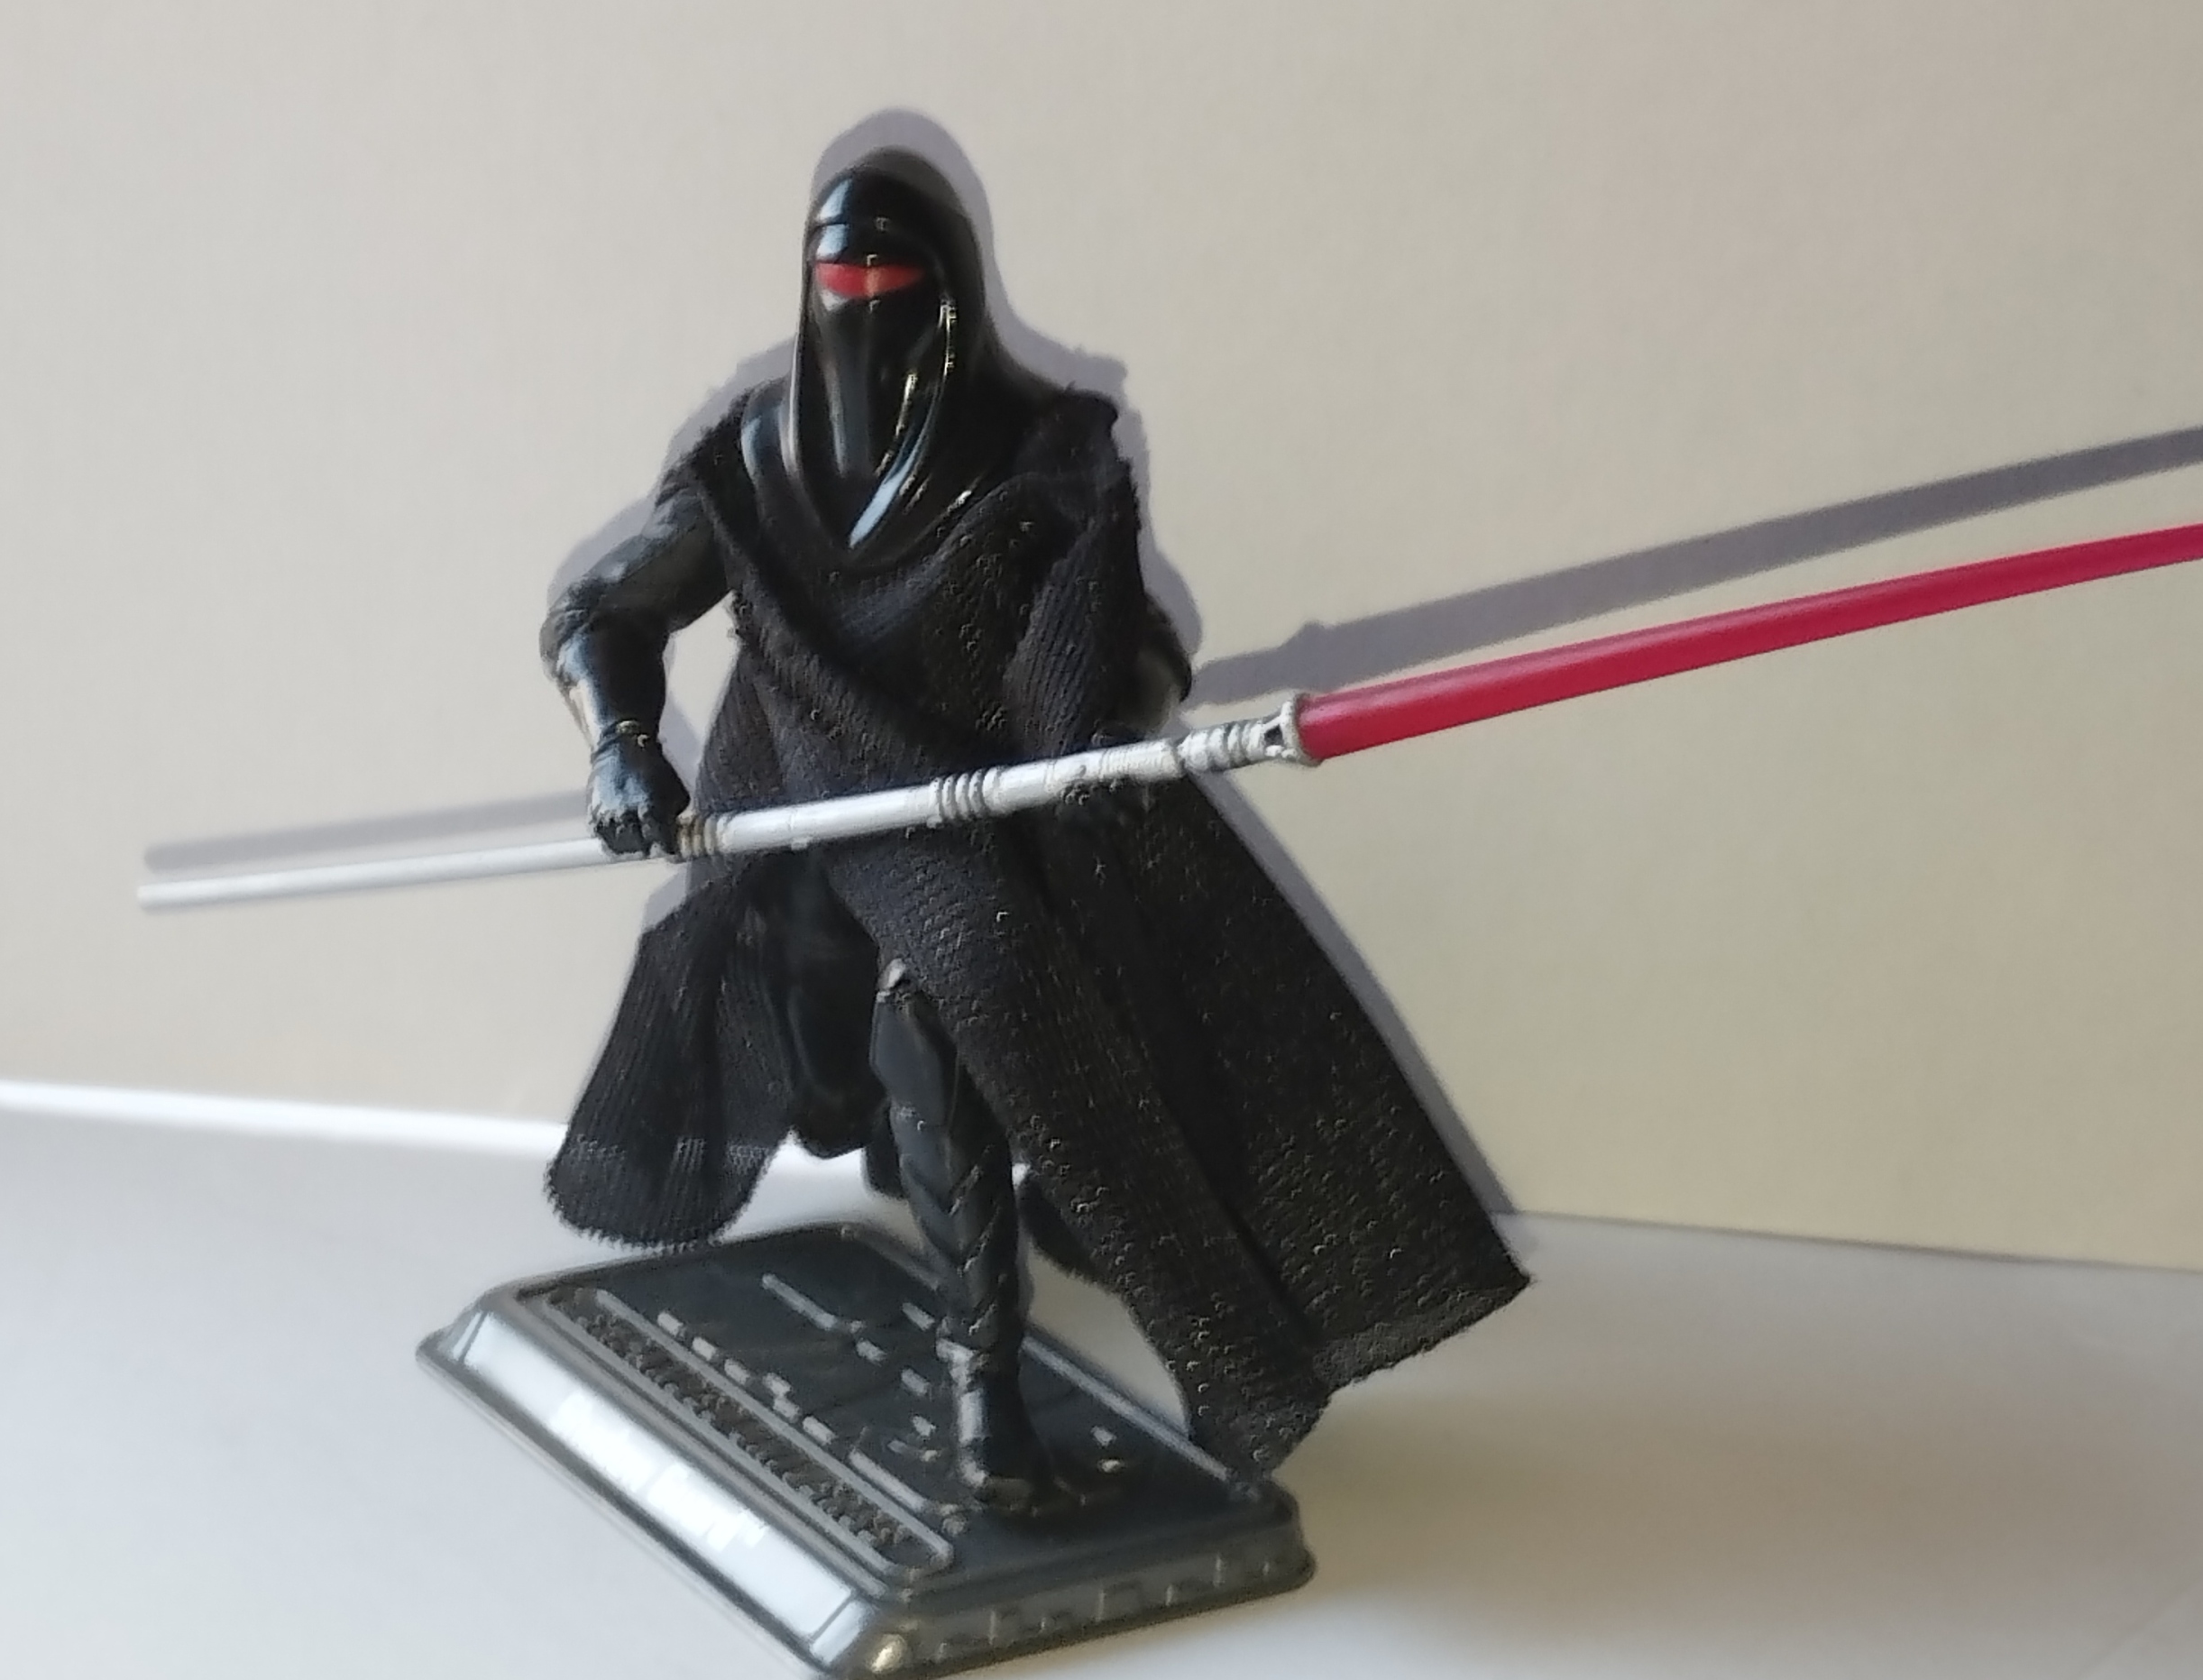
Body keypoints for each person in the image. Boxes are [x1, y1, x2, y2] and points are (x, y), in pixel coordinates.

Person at [541, 148, 1524, 1512]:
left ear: (951, 288)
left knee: (962, 993)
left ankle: (985, 1381)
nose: (863, 303)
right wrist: (620, 745)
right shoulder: (756, 460)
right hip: (801, 799)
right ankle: (896, 1158)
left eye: (892, 276)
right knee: (835, 1013)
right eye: (839, 279)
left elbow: (1126, 632)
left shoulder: (1044, 450)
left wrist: (1106, 727)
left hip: (976, 806)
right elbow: (602, 612)